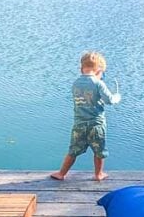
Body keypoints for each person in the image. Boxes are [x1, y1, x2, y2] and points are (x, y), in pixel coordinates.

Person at [51, 50, 121, 182]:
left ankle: (61, 173)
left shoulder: (75, 83)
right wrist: (117, 97)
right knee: (99, 151)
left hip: (79, 124)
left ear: (81, 68)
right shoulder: (98, 83)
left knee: (73, 150)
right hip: (96, 124)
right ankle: (98, 174)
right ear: (99, 70)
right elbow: (109, 100)